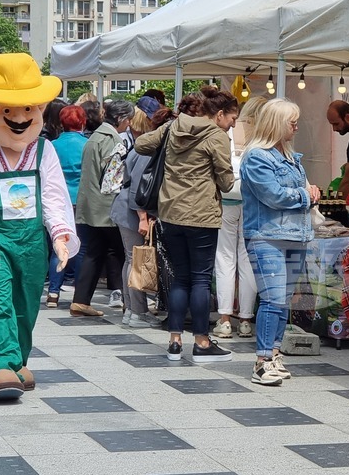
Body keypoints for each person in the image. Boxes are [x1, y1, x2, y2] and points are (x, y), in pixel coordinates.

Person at [0, 53, 78, 399]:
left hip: (33, 238)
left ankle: (18, 359)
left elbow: (53, 197)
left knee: (27, 301)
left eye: (27, 109)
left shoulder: (44, 151)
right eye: (8, 110)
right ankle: (0, 366)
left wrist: (60, 235)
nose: (20, 118)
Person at [135, 86, 235, 363]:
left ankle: (175, 341)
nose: (232, 124)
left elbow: (141, 144)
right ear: (218, 114)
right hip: (202, 215)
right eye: (232, 118)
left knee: (180, 277)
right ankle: (202, 342)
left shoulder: (172, 127)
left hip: (170, 212)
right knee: (201, 278)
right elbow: (226, 182)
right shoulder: (216, 136)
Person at [240, 99, 318, 385]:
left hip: (293, 235)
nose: (296, 127)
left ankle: (273, 354)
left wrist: (306, 192)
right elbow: (273, 196)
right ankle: (261, 361)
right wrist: (305, 195)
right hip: (267, 236)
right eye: (292, 122)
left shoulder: (288, 156)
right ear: (276, 124)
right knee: (273, 299)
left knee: (282, 301)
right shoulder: (258, 157)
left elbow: (291, 191)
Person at [69, 99, 132, 317]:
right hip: (107, 205)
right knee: (123, 253)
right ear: (122, 119)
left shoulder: (94, 137)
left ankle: (81, 300)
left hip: (90, 203)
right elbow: (113, 177)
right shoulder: (111, 139)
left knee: (94, 252)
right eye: (129, 120)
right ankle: (130, 302)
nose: (130, 124)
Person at [213, 95, 263, 339]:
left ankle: (224, 319)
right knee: (246, 259)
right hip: (252, 199)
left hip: (226, 198)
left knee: (224, 257)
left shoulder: (230, 129)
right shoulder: (264, 133)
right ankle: (245, 319)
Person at [110, 107, 157, 328]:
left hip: (124, 208)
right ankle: (137, 311)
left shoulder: (139, 146)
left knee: (132, 259)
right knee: (136, 259)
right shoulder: (146, 149)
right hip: (131, 211)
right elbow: (140, 186)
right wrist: (143, 218)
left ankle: (133, 310)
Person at [46, 104, 87, 308]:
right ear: (83, 121)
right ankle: (79, 294)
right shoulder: (87, 144)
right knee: (79, 247)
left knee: (58, 245)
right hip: (80, 199)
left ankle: (53, 292)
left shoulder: (52, 145)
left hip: (59, 200)